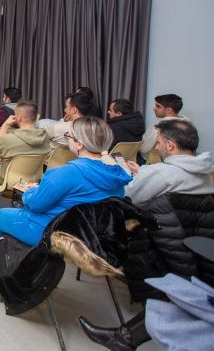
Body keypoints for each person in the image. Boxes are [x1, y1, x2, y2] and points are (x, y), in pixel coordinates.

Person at [77, 119, 214, 351]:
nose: (157, 147)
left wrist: (132, 175)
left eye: (159, 143)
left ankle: (123, 337)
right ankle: (124, 338)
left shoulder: (159, 173)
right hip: (195, 253)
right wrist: (144, 174)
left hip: (156, 252)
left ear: (170, 145)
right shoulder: (205, 174)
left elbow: (125, 198)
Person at [0, 117, 132, 297]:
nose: (68, 139)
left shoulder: (66, 173)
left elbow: (37, 204)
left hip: (51, 233)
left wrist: (28, 192)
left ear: (80, 144)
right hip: (90, 238)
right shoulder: (117, 177)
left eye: (69, 136)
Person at [139, 94, 190, 161]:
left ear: (169, 110)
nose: (154, 109)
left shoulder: (159, 129)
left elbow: (143, 149)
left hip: (153, 161)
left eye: (158, 106)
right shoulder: (189, 127)